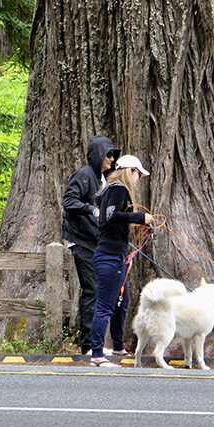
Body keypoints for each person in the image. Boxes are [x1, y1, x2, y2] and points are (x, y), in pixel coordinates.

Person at [89, 154, 154, 367]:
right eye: (139, 174)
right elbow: (111, 216)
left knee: (121, 302)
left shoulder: (110, 189)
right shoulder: (119, 189)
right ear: (131, 171)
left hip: (116, 255)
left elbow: (109, 219)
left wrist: (127, 253)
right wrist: (139, 218)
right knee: (105, 306)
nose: (140, 179)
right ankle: (97, 354)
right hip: (109, 258)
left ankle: (118, 347)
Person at [61, 135, 120, 355]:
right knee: (92, 290)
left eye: (114, 155)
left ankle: (95, 343)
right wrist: (91, 210)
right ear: (98, 155)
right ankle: (88, 345)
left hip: (95, 243)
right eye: (108, 154)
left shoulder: (101, 179)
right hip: (81, 242)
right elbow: (69, 201)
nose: (112, 159)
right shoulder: (85, 175)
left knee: (98, 291)